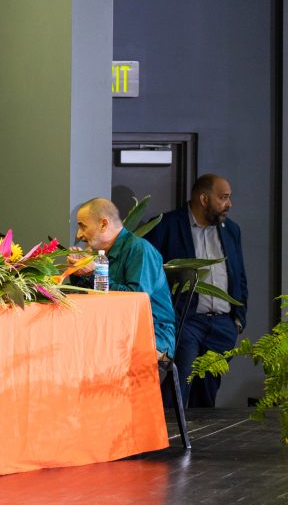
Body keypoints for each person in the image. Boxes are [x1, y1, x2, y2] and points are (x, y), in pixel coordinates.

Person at [143, 174, 248, 407]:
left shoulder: (231, 230)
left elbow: (239, 275)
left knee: (207, 395)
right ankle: (165, 437)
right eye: (223, 198)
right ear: (203, 198)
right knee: (177, 387)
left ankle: (198, 442)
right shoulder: (166, 225)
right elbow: (148, 270)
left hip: (222, 326)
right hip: (186, 321)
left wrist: (238, 319)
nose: (229, 204)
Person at [67, 198, 176, 359]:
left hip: (149, 337)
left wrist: (94, 273)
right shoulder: (101, 255)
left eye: (83, 226)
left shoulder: (140, 249)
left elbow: (135, 300)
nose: (79, 235)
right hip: (115, 334)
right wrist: (79, 273)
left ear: (104, 224)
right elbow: (95, 297)